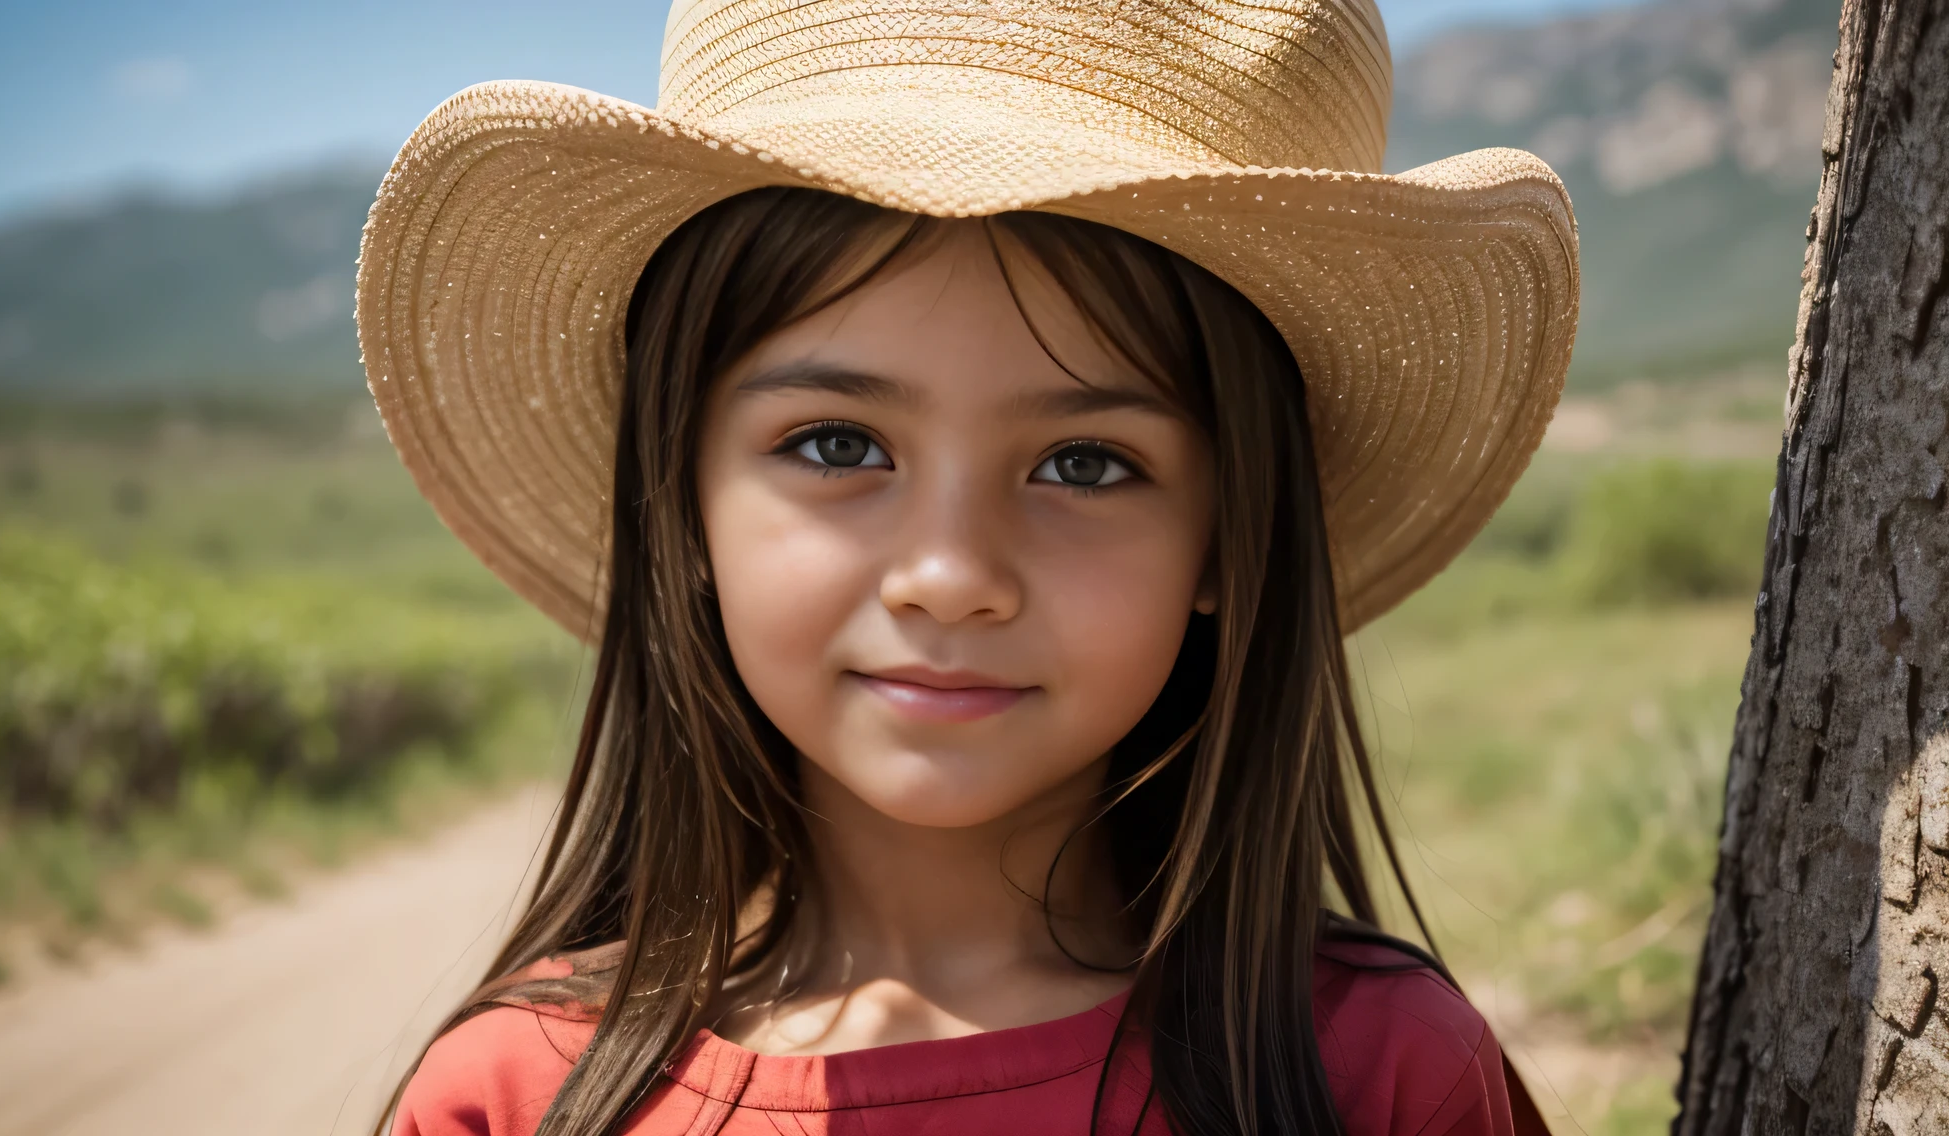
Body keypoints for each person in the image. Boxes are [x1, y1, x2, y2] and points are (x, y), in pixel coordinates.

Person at [354, 2, 1579, 1133]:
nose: (947, 574)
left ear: (1226, 535)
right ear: (681, 504)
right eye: (836, 444)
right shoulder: (510, 1096)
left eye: (1086, 464)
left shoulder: (1378, 1076)